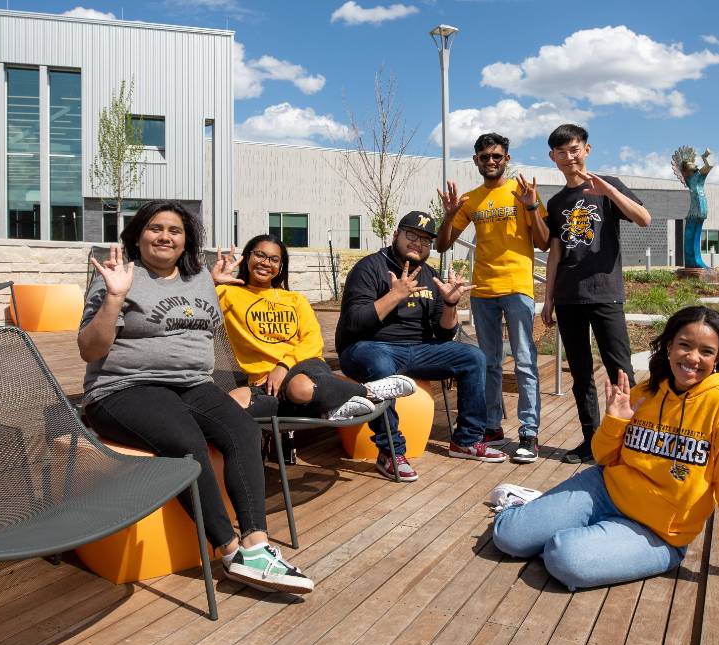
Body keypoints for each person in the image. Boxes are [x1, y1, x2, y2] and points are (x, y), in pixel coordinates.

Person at [78, 200, 312, 596]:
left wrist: (215, 283)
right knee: (186, 440)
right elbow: (89, 350)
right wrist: (115, 298)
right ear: (138, 234)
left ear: (187, 241)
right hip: (124, 388)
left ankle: (257, 543)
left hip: (193, 385)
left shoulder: (199, 277)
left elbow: (192, 315)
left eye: (175, 230)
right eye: (156, 228)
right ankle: (230, 549)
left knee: (242, 428)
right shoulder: (118, 276)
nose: (165, 236)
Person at [491, 306, 719, 593]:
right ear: (669, 346)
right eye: (684, 345)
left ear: (718, 358)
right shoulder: (645, 392)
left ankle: (554, 515)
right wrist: (614, 421)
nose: (693, 357)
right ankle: (533, 507)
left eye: (706, 351)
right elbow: (602, 457)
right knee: (508, 537)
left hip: (657, 531)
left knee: (564, 558)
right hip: (604, 489)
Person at [336, 210, 499, 481]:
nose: (418, 243)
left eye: (425, 240)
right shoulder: (370, 267)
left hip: (418, 349)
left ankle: (466, 440)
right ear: (396, 235)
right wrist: (395, 295)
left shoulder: (429, 275)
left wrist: (449, 304)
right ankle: (391, 452)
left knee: (473, 357)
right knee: (380, 363)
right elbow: (355, 323)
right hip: (368, 347)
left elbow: (444, 335)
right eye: (412, 235)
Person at [210, 233, 415, 421]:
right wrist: (213, 282)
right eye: (260, 255)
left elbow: (312, 341)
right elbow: (187, 308)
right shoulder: (227, 294)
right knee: (232, 404)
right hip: (264, 383)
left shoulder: (295, 299)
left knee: (300, 387)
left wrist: (283, 365)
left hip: (305, 367)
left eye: (274, 259)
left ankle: (366, 392)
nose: (265, 263)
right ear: (247, 257)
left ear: (281, 266)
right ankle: (329, 405)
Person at [540, 124, 651, 464]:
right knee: (581, 374)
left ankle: (629, 441)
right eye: (561, 152)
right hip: (569, 297)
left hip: (606, 294)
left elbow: (644, 219)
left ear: (586, 150)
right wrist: (548, 298)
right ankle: (591, 441)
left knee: (620, 370)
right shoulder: (557, 201)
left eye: (574, 149)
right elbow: (555, 253)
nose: (569, 157)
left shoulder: (608, 187)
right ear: (553, 158)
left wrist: (609, 192)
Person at [435, 132, 550, 464]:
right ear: (476, 161)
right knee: (488, 363)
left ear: (507, 159)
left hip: (517, 288)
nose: (490, 162)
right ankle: (491, 426)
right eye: (484, 157)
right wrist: (448, 215)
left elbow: (543, 242)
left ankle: (530, 433)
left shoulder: (523, 193)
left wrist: (531, 207)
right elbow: (442, 245)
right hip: (482, 290)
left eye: (496, 156)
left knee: (525, 361)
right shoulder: (470, 200)